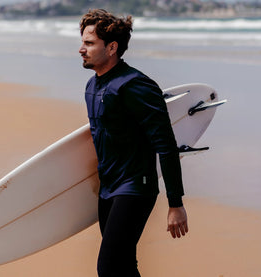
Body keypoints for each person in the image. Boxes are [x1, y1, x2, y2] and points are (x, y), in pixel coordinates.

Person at [79, 9, 188, 277]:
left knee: (108, 267)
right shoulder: (92, 87)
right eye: (82, 42)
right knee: (124, 265)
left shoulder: (135, 86)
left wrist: (176, 203)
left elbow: (165, 143)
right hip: (108, 187)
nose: (81, 49)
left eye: (89, 43)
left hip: (135, 188)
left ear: (112, 47)